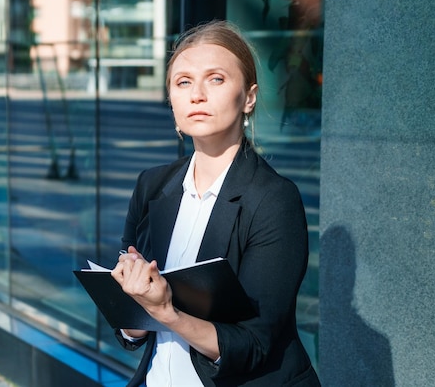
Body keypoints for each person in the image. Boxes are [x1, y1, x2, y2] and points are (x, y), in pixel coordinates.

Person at [111, 20, 320, 387]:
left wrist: (166, 311)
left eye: (216, 79)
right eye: (183, 82)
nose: (197, 95)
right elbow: (132, 329)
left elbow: (254, 344)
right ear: (172, 99)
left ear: (249, 97)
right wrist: (132, 301)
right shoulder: (151, 185)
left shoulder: (274, 199)